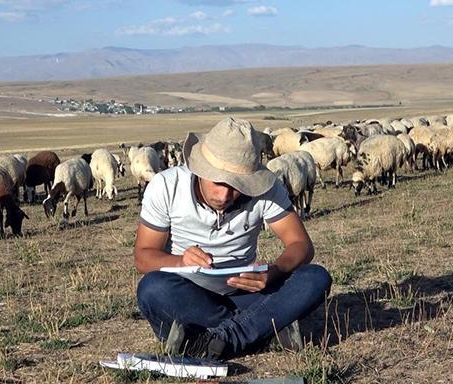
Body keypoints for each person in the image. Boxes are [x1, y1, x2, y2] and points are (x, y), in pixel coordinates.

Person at [134, 117, 332, 360]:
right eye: (217, 181)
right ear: (199, 168)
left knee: (315, 277)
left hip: (246, 292)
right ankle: (262, 331)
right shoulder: (166, 186)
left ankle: (215, 340)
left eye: (238, 185)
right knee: (152, 289)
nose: (225, 194)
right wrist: (180, 262)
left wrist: (275, 271)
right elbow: (143, 256)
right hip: (188, 292)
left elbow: (301, 244)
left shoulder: (266, 189)